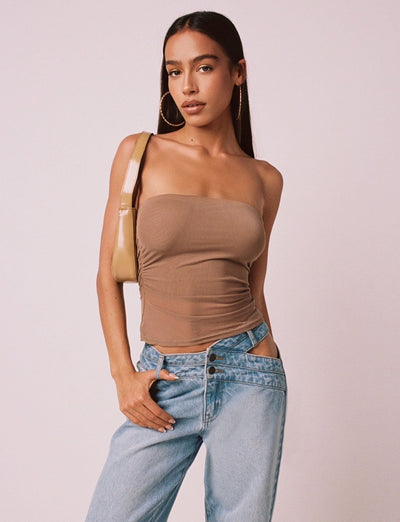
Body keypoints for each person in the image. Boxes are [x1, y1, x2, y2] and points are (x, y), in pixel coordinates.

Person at [86, 10, 287, 522]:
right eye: (174, 71)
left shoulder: (265, 179)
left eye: (204, 67)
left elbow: (254, 287)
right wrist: (124, 375)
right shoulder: (140, 153)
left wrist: (266, 359)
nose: (187, 86)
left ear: (237, 72)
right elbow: (107, 276)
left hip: (250, 375)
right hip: (165, 376)